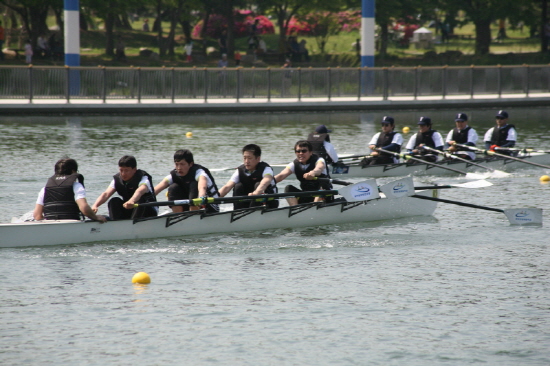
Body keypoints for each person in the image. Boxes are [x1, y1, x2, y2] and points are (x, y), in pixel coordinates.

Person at [33, 158, 107, 222]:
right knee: (106, 217)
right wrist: (96, 217)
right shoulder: (76, 186)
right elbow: (84, 208)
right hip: (72, 222)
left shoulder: (45, 189)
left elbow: (37, 215)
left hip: (50, 223)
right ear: (73, 171)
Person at [91, 155, 158, 221]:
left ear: (134, 170)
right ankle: (116, 224)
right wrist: (95, 205)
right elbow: (106, 194)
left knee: (140, 201)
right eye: (121, 170)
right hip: (130, 209)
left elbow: (140, 191)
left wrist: (132, 201)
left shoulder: (143, 178)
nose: (123, 174)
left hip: (149, 211)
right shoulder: (117, 179)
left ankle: (132, 224)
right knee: (114, 201)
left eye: (126, 170)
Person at [154, 149, 220, 213]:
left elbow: (202, 186)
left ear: (191, 164)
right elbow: (157, 188)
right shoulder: (174, 174)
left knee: (194, 185)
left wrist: (201, 196)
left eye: (182, 164)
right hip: (189, 203)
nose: (179, 168)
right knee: (173, 187)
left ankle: (193, 215)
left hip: (209, 205)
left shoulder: (199, 172)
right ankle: (178, 216)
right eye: (177, 164)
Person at [218, 144, 279, 210]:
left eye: (249, 158)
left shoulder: (266, 169)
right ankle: (238, 211)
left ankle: (254, 211)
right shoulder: (240, 170)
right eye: (245, 158)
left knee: (258, 184)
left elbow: (265, 181)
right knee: (238, 186)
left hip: (269, 203)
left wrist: (256, 193)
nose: (246, 161)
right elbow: (227, 187)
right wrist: (214, 198)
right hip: (249, 200)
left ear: (258, 159)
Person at [274, 140, 333, 206]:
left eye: (304, 151)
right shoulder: (294, 164)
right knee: (288, 188)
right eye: (298, 151)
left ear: (310, 152)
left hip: (325, 195)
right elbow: (281, 176)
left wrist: (312, 173)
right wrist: (267, 183)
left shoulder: (319, 160)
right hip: (307, 195)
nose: (301, 153)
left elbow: (319, 168)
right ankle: (295, 209)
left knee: (322, 188)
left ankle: (315, 208)